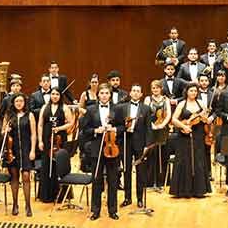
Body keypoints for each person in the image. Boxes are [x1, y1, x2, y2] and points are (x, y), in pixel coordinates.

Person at [81, 83, 124, 220]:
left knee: (112, 180)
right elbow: (85, 130)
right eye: (102, 93)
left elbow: (123, 126)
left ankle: (112, 210)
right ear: (98, 95)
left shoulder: (117, 109)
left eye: (106, 93)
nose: (104, 95)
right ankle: (95, 210)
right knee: (97, 180)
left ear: (110, 95)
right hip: (96, 149)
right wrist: (96, 130)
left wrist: (114, 129)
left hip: (112, 149)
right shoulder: (91, 109)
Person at [169, 83, 210, 198]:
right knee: (184, 159)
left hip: (198, 135)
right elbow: (174, 119)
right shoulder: (182, 104)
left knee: (198, 159)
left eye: (195, 91)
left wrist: (204, 118)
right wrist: (184, 126)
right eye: (191, 91)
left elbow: (206, 120)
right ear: (186, 92)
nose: (193, 93)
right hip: (184, 135)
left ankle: (199, 190)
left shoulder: (201, 103)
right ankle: (183, 190)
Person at [0, 92, 36, 217]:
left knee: (26, 176)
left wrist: (32, 150)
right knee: (14, 177)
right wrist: (6, 130)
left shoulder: (30, 115)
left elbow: (33, 134)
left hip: (26, 150)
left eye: (21, 101)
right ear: (13, 103)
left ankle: (28, 205)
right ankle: (15, 204)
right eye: (16, 101)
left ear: (24, 102)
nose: (19, 103)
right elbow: (2, 132)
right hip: (12, 150)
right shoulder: (9, 116)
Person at [37, 86, 74, 204]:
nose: (55, 96)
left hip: (59, 140)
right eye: (53, 94)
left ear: (60, 96)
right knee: (46, 166)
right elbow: (40, 125)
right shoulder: (44, 107)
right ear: (50, 95)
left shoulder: (64, 107)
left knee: (59, 167)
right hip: (46, 140)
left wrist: (59, 128)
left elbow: (70, 123)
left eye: (57, 94)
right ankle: (46, 195)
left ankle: (62, 195)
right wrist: (40, 141)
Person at [119, 83, 153, 208]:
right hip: (125, 142)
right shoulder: (122, 108)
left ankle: (140, 198)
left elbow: (149, 129)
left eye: (138, 91)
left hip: (140, 143)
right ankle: (127, 198)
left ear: (141, 94)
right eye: (133, 90)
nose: (135, 93)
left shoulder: (146, 109)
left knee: (140, 171)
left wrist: (147, 145)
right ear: (130, 92)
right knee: (126, 170)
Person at [144, 79, 172, 191]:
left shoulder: (166, 99)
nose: (155, 90)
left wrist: (162, 125)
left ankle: (161, 181)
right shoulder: (147, 99)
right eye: (153, 88)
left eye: (157, 88)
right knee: (151, 155)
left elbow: (169, 114)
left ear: (161, 88)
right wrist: (152, 125)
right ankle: (150, 182)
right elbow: (145, 113)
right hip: (151, 129)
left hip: (163, 129)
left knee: (163, 156)